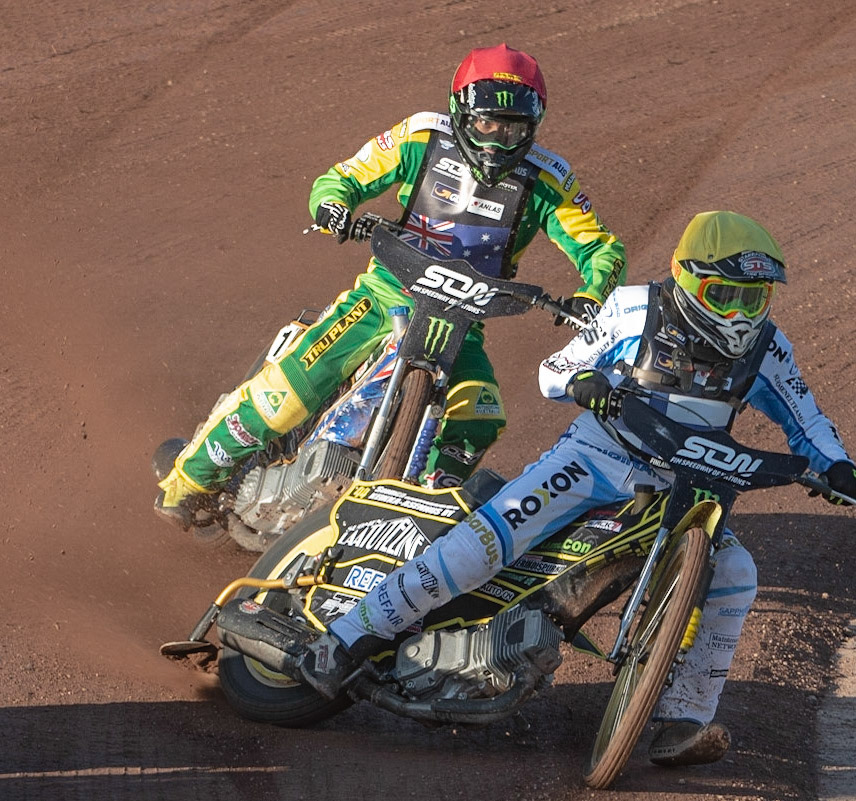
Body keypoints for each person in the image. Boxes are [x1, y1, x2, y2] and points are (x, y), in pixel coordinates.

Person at [296, 211, 856, 765]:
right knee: (490, 542)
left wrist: (836, 465)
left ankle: (683, 716)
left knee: (737, 575)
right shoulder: (634, 308)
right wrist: (586, 382)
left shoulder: (771, 346)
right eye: (725, 296)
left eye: (753, 299)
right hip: (598, 455)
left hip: (687, 479)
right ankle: (346, 638)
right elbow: (553, 371)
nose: (740, 315)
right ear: (689, 280)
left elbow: (806, 419)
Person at [156, 43, 626, 528]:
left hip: (462, 322)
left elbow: (604, 250)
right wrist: (334, 205)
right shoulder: (421, 136)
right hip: (385, 296)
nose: (496, 141)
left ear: (533, 127)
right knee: (288, 395)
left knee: (481, 417)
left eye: (512, 129)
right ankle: (188, 481)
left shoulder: (549, 180)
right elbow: (343, 177)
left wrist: (591, 296)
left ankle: (423, 510)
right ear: (461, 112)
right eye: (487, 123)